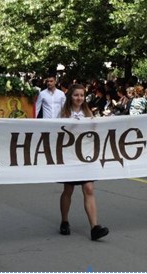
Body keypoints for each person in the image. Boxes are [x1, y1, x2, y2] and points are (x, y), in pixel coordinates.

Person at [58, 84, 109, 241]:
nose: (79, 98)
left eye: (81, 95)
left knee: (88, 188)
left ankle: (94, 227)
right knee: (69, 189)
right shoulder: (63, 114)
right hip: (69, 156)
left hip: (85, 155)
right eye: (76, 95)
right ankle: (64, 221)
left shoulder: (88, 112)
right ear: (70, 97)